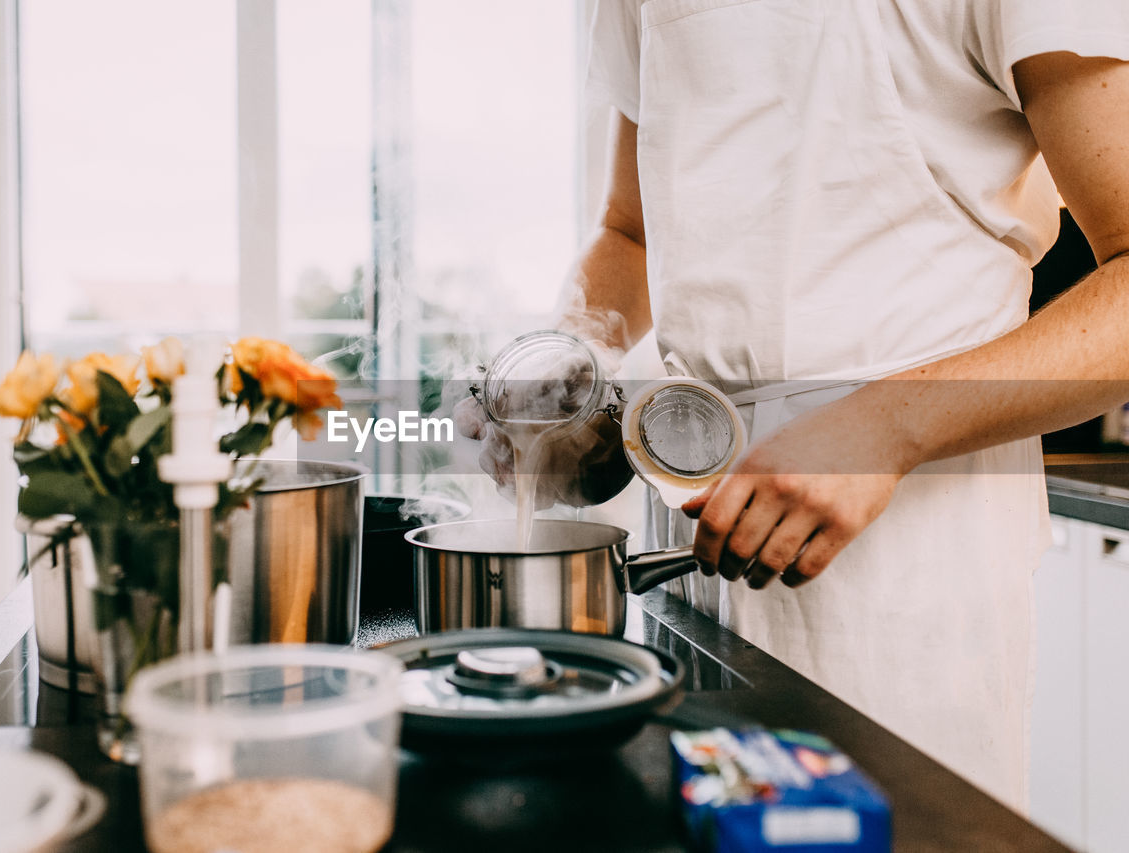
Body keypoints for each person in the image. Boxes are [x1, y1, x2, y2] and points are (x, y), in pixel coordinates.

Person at [464, 2, 1129, 809]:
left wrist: (886, 428)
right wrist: (563, 368)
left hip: (906, 541)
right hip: (692, 536)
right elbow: (630, 234)